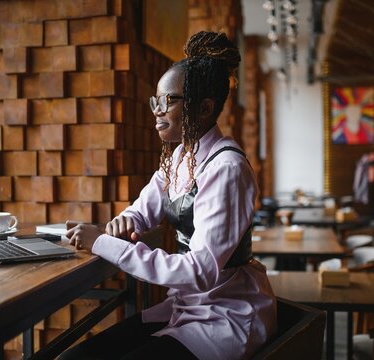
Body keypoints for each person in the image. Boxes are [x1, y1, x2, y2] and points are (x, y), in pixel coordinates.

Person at [60, 31, 277, 360]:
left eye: (168, 101)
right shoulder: (179, 158)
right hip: (189, 309)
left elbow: (200, 272)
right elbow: (142, 210)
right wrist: (124, 222)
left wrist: (101, 242)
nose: (157, 111)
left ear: (204, 107)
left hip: (225, 318)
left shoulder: (227, 169)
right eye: (155, 102)